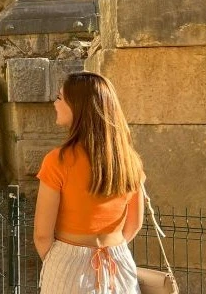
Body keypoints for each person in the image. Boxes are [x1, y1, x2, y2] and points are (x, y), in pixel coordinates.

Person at [34, 71, 145, 293]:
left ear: (77, 106)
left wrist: (61, 260)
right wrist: (111, 248)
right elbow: (133, 224)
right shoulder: (129, 160)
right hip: (118, 262)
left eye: (59, 97)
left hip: (70, 264)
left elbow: (42, 234)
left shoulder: (58, 160)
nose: (55, 103)